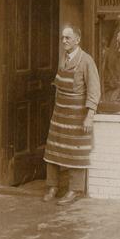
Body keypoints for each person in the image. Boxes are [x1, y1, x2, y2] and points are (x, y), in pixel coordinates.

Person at [43, 25, 101, 205]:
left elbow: (94, 90)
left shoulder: (86, 61)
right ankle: (52, 186)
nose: (64, 41)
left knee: (77, 152)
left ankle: (74, 190)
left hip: (77, 115)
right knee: (54, 149)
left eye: (67, 38)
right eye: (62, 38)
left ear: (77, 39)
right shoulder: (63, 58)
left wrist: (89, 116)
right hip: (60, 113)